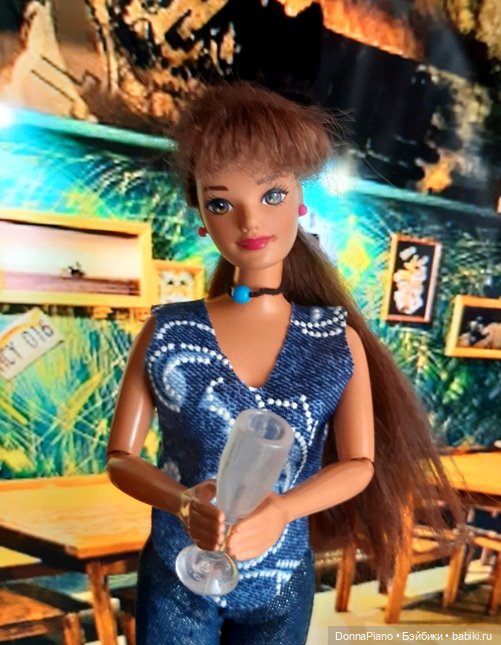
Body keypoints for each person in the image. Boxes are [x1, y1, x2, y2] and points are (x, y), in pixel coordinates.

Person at [106, 83, 462, 644]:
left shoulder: (334, 339)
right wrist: (182, 502)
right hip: (181, 572)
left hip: (281, 576)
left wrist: (282, 510)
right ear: (201, 217)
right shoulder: (169, 331)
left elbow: (360, 463)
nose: (250, 222)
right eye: (221, 204)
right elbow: (121, 458)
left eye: (271, 195)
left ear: (299, 201)